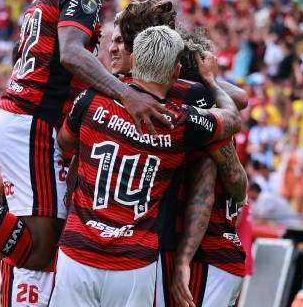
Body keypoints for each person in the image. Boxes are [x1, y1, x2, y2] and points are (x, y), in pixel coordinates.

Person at [0, 0, 174, 306]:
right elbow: (70, 54)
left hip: (19, 119)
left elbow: (31, 57)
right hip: (30, 124)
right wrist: (127, 94)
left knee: (34, 243)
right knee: (41, 247)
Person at [49, 25, 242, 306]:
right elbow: (233, 118)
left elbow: (64, 143)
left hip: (78, 251)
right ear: (176, 73)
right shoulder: (180, 122)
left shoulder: (92, 99)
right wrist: (210, 81)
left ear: (135, 60)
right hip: (134, 262)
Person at [108, 0, 248, 307]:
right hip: (142, 247)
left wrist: (209, 82)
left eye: (121, 41)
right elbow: (239, 100)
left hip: (194, 254)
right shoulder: (120, 90)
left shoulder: (187, 95)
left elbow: (225, 181)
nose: (112, 48)